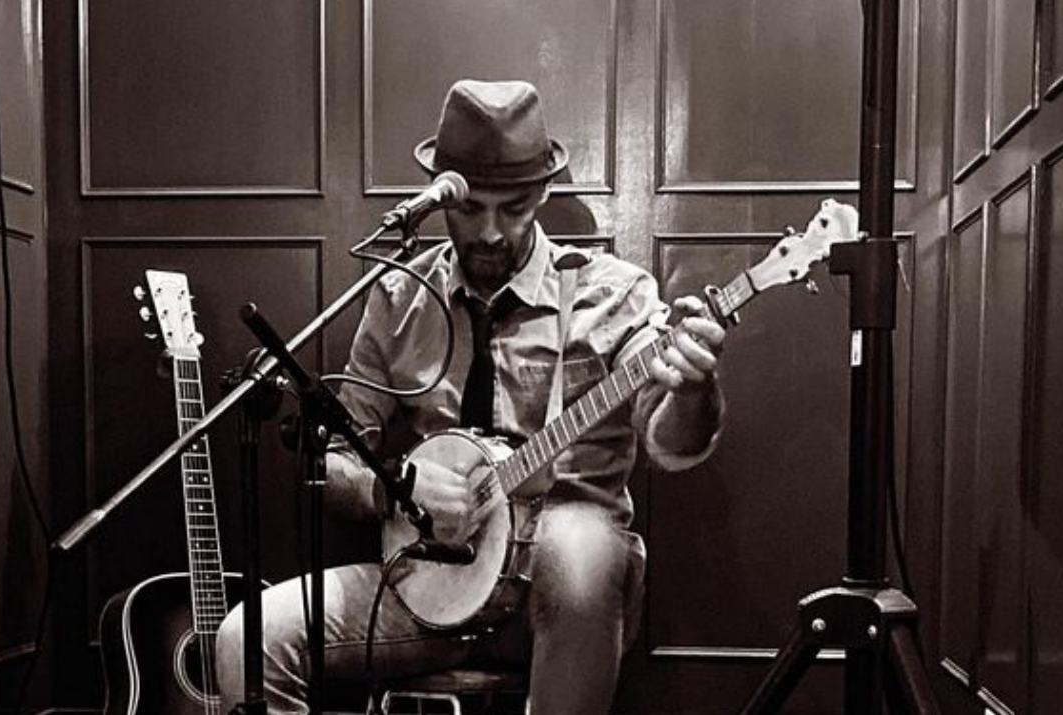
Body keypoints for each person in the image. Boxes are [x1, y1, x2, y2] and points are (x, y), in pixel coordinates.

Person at [216, 79, 725, 715]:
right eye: (469, 209)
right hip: (434, 587)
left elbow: (673, 444)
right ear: (440, 198)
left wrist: (695, 384)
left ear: (541, 194)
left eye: (511, 208)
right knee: (245, 638)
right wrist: (394, 488)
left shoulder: (613, 295)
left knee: (578, 542)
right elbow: (334, 457)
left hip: (562, 598)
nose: (489, 232)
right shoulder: (400, 298)